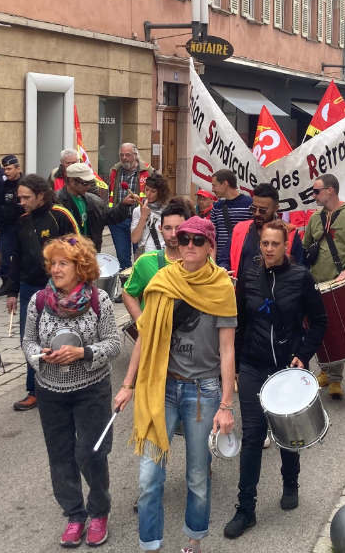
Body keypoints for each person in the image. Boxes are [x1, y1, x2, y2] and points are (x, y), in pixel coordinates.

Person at [113, 216, 237, 553]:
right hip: (162, 388)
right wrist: (128, 384)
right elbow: (146, 335)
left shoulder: (222, 287)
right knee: (148, 478)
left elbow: (227, 351)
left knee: (197, 477)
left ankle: (194, 541)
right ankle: (149, 545)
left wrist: (226, 405)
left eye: (198, 240)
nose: (189, 246)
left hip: (203, 392)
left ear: (211, 245)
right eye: (184, 240)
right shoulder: (164, 279)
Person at [222, 220, 328, 539]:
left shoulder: (300, 278)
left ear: (285, 246)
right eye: (264, 243)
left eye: (275, 244)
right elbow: (239, 324)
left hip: (286, 366)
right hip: (254, 365)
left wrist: (303, 354)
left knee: (286, 429)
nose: (269, 249)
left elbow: (320, 321)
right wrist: (238, 364)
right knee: (253, 435)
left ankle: (290, 481)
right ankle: (246, 508)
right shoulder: (249, 279)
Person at [21, 234, 121, 547]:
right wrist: (41, 356)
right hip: (51, 390)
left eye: (63, 263)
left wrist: (83, 353)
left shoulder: (98, 300)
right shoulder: (38, 301)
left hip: (91, 389)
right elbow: (27, 343)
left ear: (81, 267)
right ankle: (75, 515)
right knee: (60, 456)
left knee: (90, 453)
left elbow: (114, 344)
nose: (56, 268)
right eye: (52, 263)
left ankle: (99, 510)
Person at [5, 174, 79, 411]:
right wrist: (12, 291)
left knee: (57, 336)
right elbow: (16, 257)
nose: (22, 202)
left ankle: (62, 383)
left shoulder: (61, 216)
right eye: (20, 197)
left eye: (27, 197)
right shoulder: (22, 219)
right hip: (28, 288)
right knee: (30, 339)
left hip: (57, 288)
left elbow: (78, 250)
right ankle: (33, 389)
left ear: (41, 195)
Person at [303, 174, 345, 399]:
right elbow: (306, 246)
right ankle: (324, 369)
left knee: (338, 329)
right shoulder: (314, 218)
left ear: (330, 191)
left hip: (339, 282)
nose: (313, 195)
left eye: (316, 191)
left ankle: (335, 379)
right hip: (316, 282)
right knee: (318, 330)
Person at [122, 200, 189, 324]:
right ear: (160, 229)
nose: (173, 234)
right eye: (168, 228)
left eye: (178, 228)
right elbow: (128, 293)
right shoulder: (145, 261)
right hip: (154, 335)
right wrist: (141, 322)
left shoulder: (200, 260)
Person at [229, 183, 304, 280]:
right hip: (243, 292)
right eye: (253, 208)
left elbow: (299, 271)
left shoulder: (290, 234)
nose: (257, 213)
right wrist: (225, 270)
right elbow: (225, 259)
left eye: (263, 210)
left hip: (278, 292)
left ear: (276, 208)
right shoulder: (239, 229)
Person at [107, 143, 153, 270]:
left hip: (140, 220)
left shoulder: (148, 171)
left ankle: (140, 285)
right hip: (119, 221)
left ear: (135, 155)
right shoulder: (114, 171)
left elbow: (155, 195)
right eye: (121, 155)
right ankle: (125, 286)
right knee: (123, 259)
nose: (124, 158)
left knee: (140, 257)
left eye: (127, 155)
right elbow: (110, 194)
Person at [56, 162, 109, 251]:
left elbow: (108, 217)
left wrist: (124, 205)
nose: (89, 186)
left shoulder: (93, 200)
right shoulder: (56, 201)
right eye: (85, 183)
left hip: (87, 251)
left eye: (90, 183)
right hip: (66, 252)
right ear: (71, 181)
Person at [211, 169, 253, 271]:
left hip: (243, 261)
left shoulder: (250, 204)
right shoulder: (216, 207)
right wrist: (213, 264)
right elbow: (213, 238)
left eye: (214, 185)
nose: (212, 189)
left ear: (225, 184)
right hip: (222, 264)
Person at [0, 155, 24, 285]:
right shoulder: (4, 185)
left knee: (22, 254)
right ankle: (6, 281)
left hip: (22, 225)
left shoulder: (25, 184)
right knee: (3, 255)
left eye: (9, 169)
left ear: (17, 168)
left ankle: (21, 280)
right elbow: (0, 206)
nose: (6, 172)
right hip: (6, 226)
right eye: (5, 169)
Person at [131, 173, 172, 257]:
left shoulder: (169, 210)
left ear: (161, 193)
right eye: (147, 189)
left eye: (153, 191)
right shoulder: (137, 211)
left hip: (163, 254)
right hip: (145, 255)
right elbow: (134, 239)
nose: (148, 194)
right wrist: (143, 217)